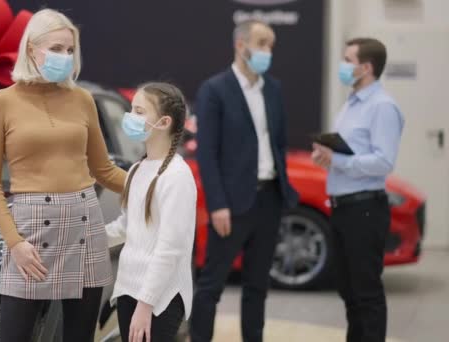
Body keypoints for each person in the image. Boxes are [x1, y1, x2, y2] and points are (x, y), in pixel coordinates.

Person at [0, 9, 126, 342]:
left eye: (70, 50)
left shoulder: (82, 99)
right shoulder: (0, 102)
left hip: (85, 223)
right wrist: (14, 242)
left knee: (78, 336)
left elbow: (103, 170)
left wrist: (151, 186)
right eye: (56, 48)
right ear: (31, 49)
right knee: (13, 336)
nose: (65, 56)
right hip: (30, 230)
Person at [190, 20, 298, 342]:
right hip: (232, 203)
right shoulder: (215, 90)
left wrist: (282, 185)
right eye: (262, 43)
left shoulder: (273, 88)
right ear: (241, 45)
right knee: (212, 284)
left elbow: (278, 142)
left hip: (269, 198)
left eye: (270, 45)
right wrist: (218, 204)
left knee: (258, 285)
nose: (267, 51)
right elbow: (207, 154)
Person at [311, 38, 404, 342]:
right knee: (348, 290)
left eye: (348, 60)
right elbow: (351, 155)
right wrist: (328, 158)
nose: (343, 65)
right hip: (342, 207)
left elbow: (383, 162)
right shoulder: (351, 103)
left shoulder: (383, 107)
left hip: (364, 208)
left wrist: (337, 160)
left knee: (366, 293)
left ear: (366, 67)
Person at [105, 82, 197, 342]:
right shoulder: (137, 169)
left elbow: (171, 249)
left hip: (160, 298)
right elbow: (126, 226)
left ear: (164, 122)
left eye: (139, 111)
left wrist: (146, 305)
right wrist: (86, 239)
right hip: (128, 289)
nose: (130, 118)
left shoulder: (177, 176)